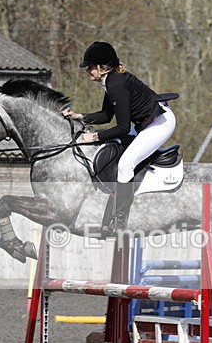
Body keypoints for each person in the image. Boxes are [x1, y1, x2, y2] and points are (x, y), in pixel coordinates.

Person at [62, 41, 177, 237]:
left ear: (102, 67)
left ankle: (120, 222)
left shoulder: (116, 83)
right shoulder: (110, 81)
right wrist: (80, 116)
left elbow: (122, 128)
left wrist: (94, 136)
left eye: (90, 67)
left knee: (125, 165)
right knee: (114, 150)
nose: (87, 71)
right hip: (146, 123)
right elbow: (107, 116)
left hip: (160, 123)